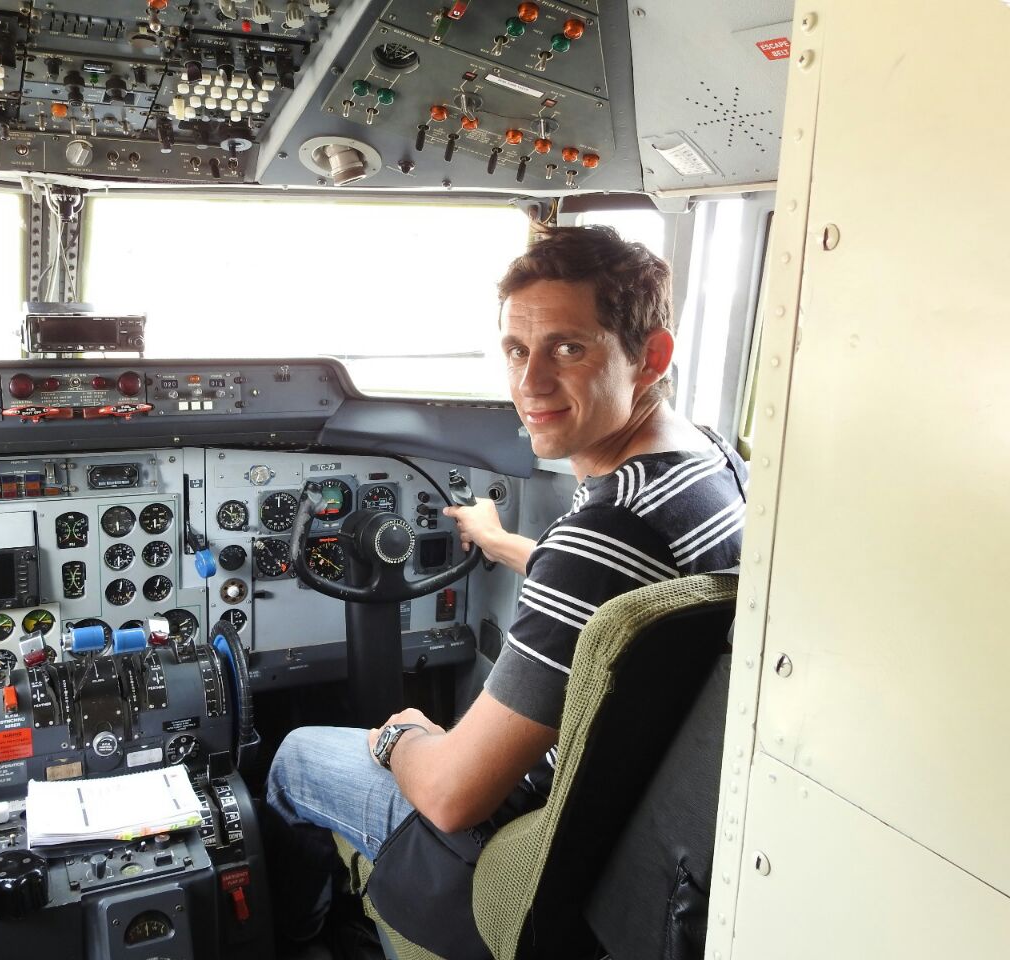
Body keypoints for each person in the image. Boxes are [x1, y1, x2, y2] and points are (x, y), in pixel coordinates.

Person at [264, 224, 747, 954]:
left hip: (516, 844)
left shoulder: (600, 539)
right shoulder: (708, 465)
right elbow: (617, 606)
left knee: (295, 755)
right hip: (622, 828)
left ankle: (307, 938)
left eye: (568, 348)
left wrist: (400, 736)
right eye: (518, 350)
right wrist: (508, 545)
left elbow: (452, 796)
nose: (530, 383)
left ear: (651, 357)